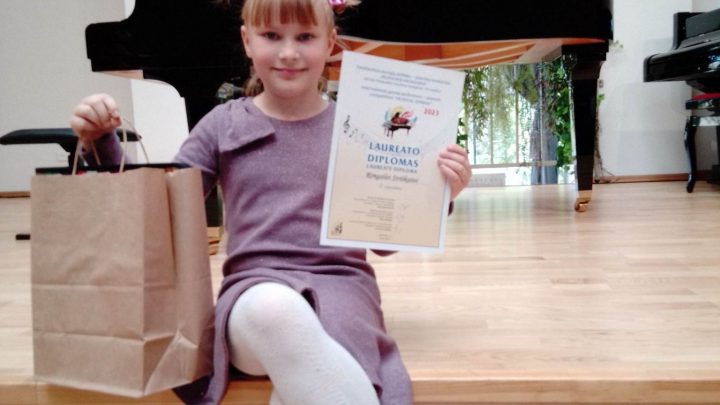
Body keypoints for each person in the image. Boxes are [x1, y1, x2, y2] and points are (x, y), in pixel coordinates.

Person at [70, 0, 472, 403]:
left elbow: (383, 243)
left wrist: (438, 193)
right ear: (247, 41)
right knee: (275, 311)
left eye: (305, 37)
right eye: (272, 36)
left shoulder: (358, 129)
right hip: (255, 297)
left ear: (330, 44)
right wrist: (103, 143)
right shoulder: (223, 124)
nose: (289, 52)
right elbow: (160, 212)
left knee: (303, 376)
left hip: (343, 294)